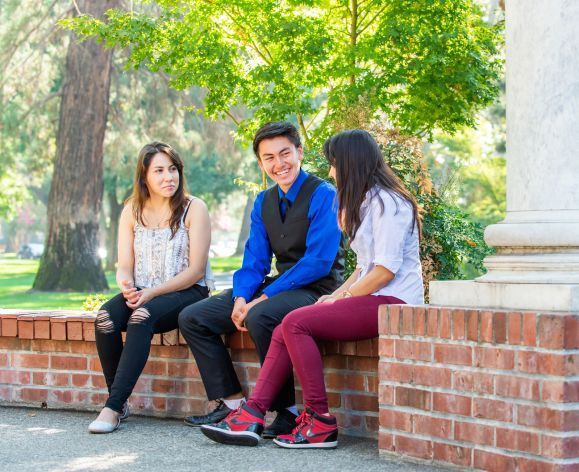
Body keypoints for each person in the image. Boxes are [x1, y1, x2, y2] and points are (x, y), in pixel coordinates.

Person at [200, 129, 424, 449]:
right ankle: (252, 415)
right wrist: (333, 297)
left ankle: (319, 420)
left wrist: (342, 298)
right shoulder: (365, 201)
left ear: (351, 162)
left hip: (394, 300)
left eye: (334, 163)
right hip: (372, 295)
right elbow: (363, 267)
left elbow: (385, 271)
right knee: (286, 326)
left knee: (295, 321)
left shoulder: (389, 202)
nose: (331, 171)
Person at [178, 121, 344, 438]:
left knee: (262, 315)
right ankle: (232, 402)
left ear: (300, 152)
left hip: (317, 290)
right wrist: (241, 298)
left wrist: (261, 300)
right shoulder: (263, 202)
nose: (278, 164)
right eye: (269, 158)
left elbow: (318, 262)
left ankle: (286, 412)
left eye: (285, 154)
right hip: (278, 288)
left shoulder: (324, 195)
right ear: (260, 163)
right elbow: (255, 259)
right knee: (194, 317)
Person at [88, 142, 213, 434]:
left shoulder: (195, 208)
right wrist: (126, 284)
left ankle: (113, 407)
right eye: (159, 170)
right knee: (105, 318)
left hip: (188, 291)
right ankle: (119, 402)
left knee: (140, 317)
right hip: (145, 291)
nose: (168, 177)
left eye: (173, 169)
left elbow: (195, 271)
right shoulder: (131, 210)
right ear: (144, 177)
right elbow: (124, 264)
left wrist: (152, 293)